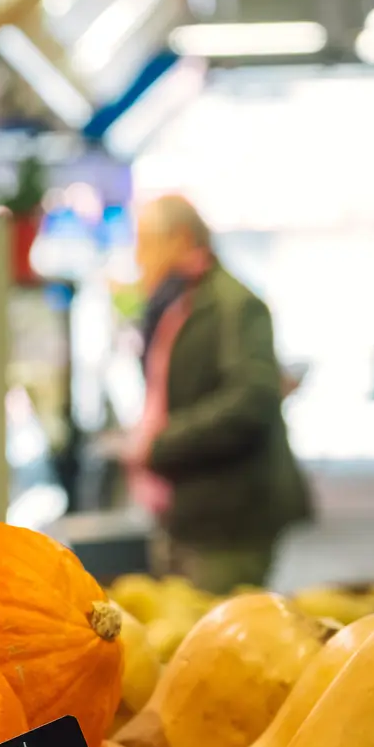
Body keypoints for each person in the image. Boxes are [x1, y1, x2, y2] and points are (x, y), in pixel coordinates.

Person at [122, 195, 311, 593]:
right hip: (188, 506)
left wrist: (161, 445)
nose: (138, 256)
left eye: (145, 241)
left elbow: (251, 400)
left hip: (230, 516)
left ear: (182, 238)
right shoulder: (175, 303)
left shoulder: (234, 305)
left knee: (218, 641)